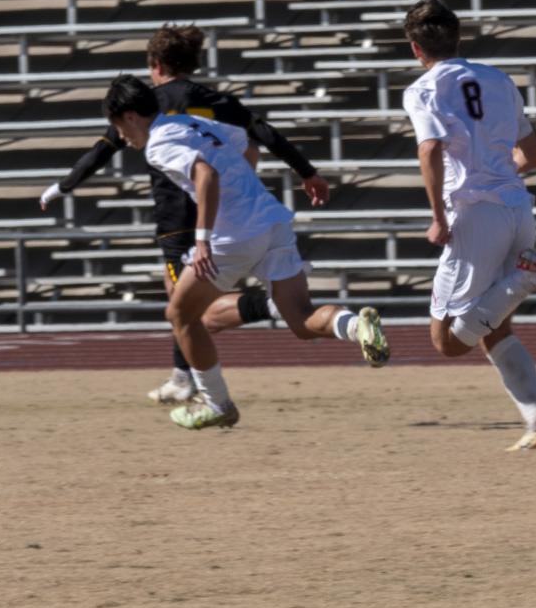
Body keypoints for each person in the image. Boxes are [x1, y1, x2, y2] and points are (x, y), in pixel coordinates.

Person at [40, 25, 331, 405]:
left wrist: (62, 186)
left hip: (180, 218)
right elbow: (263, 135)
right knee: (187, 307)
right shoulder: (215, 101)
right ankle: (192, 370)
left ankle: (198, 376)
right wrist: (306, 171)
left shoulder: (146, 107)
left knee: (189, 309)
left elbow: (103, 149)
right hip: (234, 208)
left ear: (155, 65)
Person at [104, 75, 387, 430]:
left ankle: (217, 404)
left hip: (232, 236)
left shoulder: (158, 144)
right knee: (301, 320)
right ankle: (357, 325)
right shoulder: (189, 121)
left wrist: (204, 238)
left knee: (181, 315)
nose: (122, 137)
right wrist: (244, 194)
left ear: (130, 116)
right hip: (271, 220)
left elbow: (205, 174)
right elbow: (246, 143)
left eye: (118, 127)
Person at [401, 0, 536, 450]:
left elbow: (430, 150)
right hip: (516, 207)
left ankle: (527, 278)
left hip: (473, 213)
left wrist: (439, 217)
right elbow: (533, 155)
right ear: (459, 36)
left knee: (446, 340)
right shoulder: (498, 80)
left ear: (414, 49)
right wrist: (499, 175)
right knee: (494, 327)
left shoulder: (423, 89)